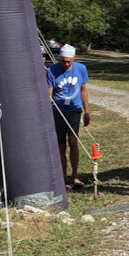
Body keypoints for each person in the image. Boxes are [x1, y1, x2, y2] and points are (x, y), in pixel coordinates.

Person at [47, 44, 90, 190]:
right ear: (60, 58)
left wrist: (87, 111)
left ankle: (75, 175)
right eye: (63, 61)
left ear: (73, 58)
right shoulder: (51, 71)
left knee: (73, 141)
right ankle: (63, 178)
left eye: (69, 61)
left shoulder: (81, 69)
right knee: (60, 145)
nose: (66, 64)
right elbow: (49, 94)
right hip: (57, 112)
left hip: (74, 110)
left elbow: (83, 91)